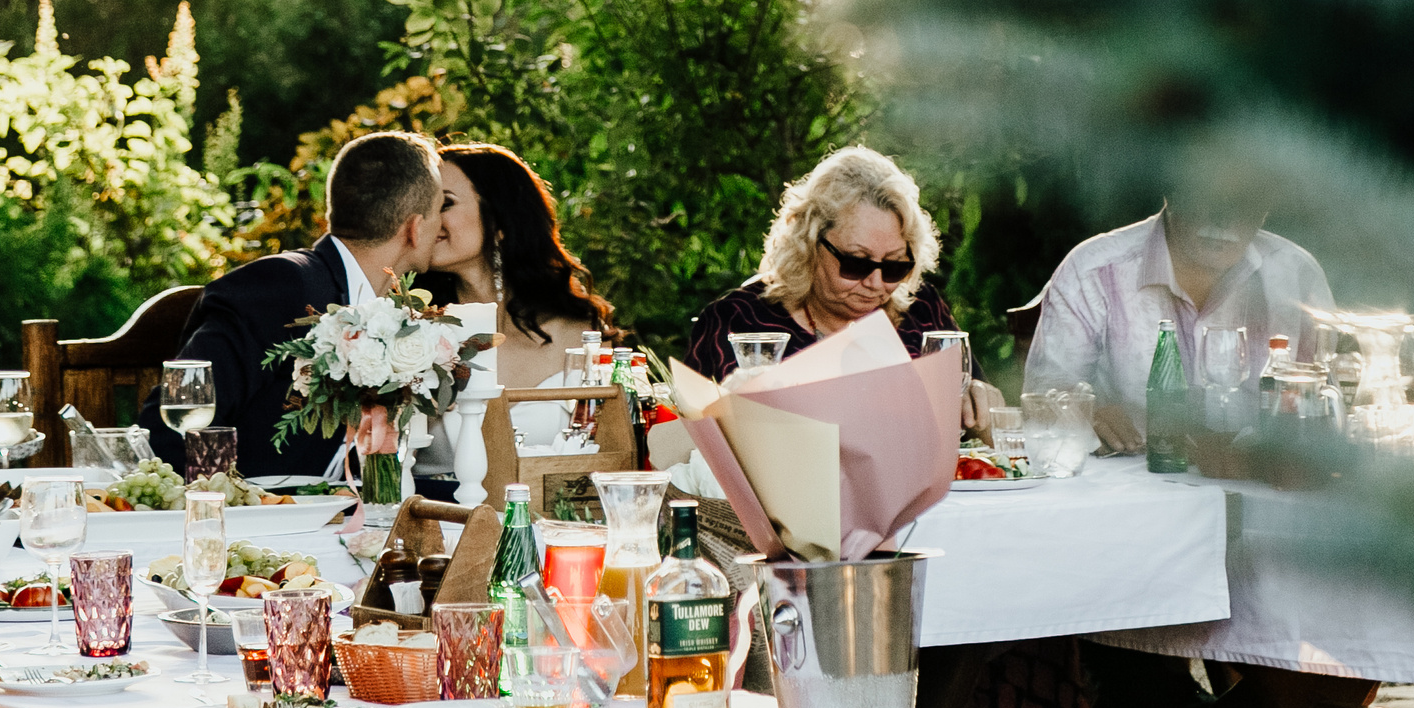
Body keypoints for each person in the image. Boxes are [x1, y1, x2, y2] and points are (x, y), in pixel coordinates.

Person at [142, 130, 442, 477]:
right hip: (258, 522)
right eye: (439, 210)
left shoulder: (389, 313)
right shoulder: (280, 286)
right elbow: (172, 427)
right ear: (415, 228)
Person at [686, 145, 1000, 423]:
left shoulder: (923, 310)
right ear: (807, 243)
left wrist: (981, 403)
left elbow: (986, 432)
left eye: (895, 266)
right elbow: (692, 445)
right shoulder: (737, 323)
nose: (876, 283)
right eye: (856, 263)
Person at [1024, 184, 1332, 454]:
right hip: (1134, 498)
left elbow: (1331, 402)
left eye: (1245, 200)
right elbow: (1041, 400)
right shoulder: (1093, 270)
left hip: (1272, 492)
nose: (1223, 220)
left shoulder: (1297, 275)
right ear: (1170, 190)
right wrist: (1082, 414)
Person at [416, 143, 617, 389]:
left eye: (445, 204)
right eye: (422, 207)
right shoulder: (413, 334)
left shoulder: (578, 334)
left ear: (500, 219)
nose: (428, 219)